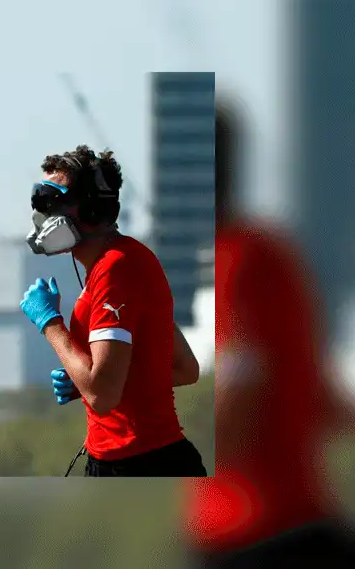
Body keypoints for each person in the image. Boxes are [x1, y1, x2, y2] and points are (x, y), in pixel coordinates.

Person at [183, 100, 355, 567]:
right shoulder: (275, 256)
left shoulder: (230, 262)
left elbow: (241, 382)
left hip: (250, 535)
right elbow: (324, 401)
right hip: (301, 525)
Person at [18, 144, 207, 477]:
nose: (43, 214)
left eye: (51, 201)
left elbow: (102, 395)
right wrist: (90, 380)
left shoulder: (115, 270)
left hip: (140, 463)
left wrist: (49, 323)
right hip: (130, 459)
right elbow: (184, 368)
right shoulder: (127, 260)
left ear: (90, 210)